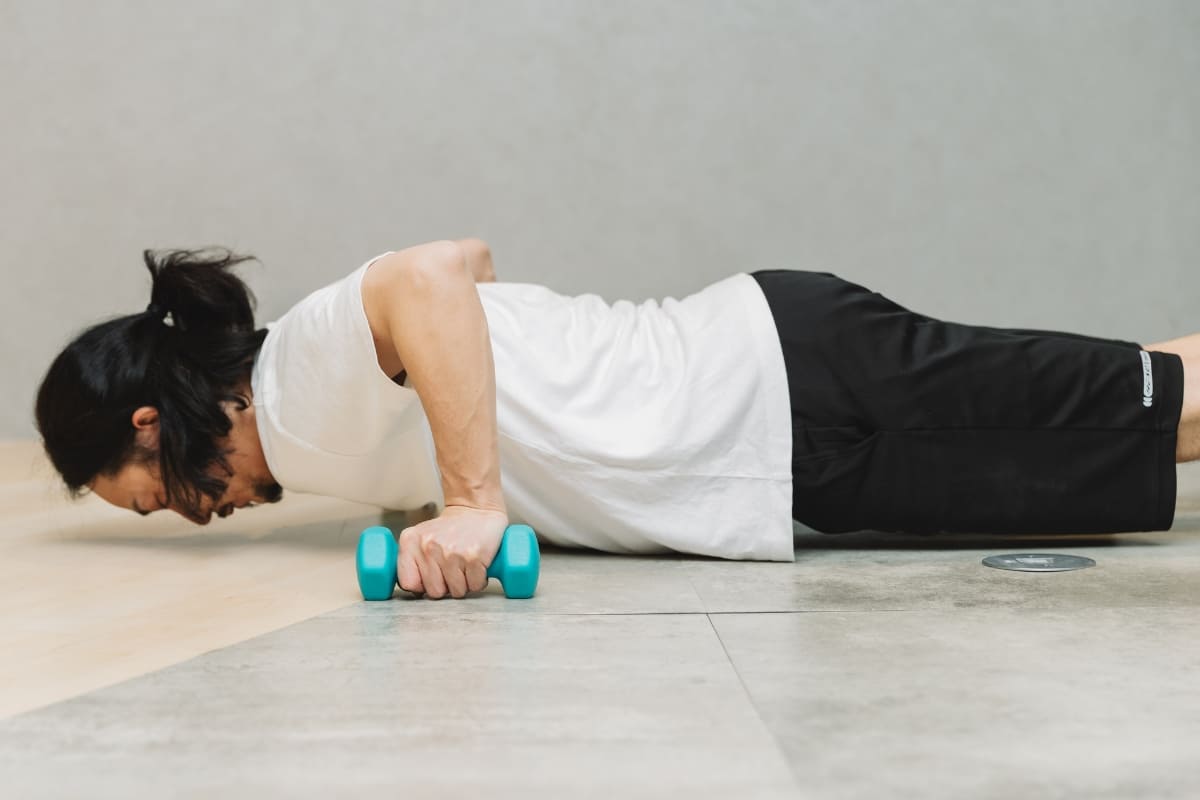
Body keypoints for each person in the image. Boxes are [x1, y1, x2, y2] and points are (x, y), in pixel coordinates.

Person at [36, 240, 1199, 599]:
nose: (186, 515)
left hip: (787, 398)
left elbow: (431, 272)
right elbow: (474, 266)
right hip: (786, 405)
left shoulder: (294, 382)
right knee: (1140, 397)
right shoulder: (310, 406)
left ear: (148, 425)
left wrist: (475, 499)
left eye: (151, 500)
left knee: (1162, 412)